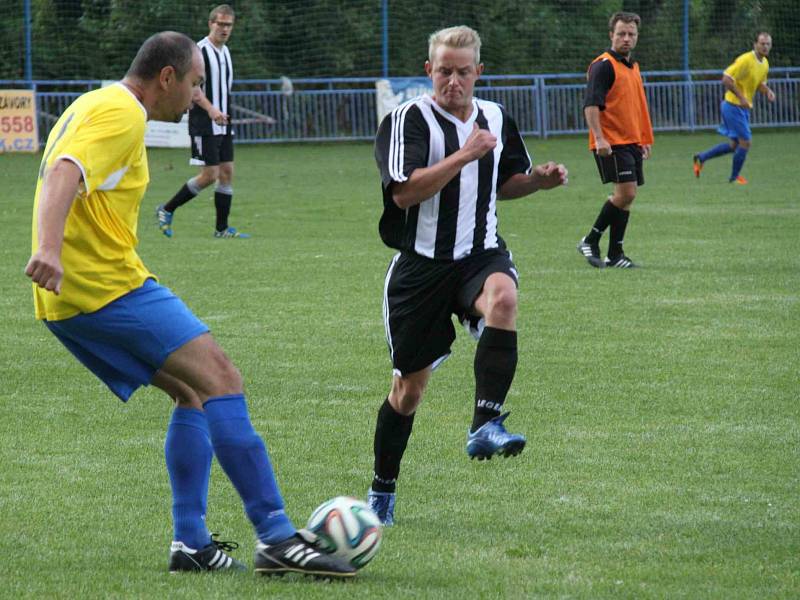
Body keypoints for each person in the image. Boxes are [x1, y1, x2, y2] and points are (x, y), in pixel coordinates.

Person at [25, 31, 353, 578]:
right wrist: (47, 250)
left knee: (190, 393)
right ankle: (276, 536)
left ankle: (192, 544)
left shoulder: (95, 101)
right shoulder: (123, 114)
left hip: (75, 294)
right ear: (167, 77)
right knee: (221, 377)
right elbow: (65, 171)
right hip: (101, 286)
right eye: (195, 83)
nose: (197, 95)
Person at [367, 25, 568, 526]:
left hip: (481, 255)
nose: (452, 81)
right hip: (421, 268)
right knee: (408, 391)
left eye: (462, 72)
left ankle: (486, 422)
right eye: (443, 71)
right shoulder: (407, 121)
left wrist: (537, 183)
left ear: (479, 72)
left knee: (504, 300)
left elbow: (505, 183)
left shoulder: (497, 117)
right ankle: (382, 489)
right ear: (427, 71)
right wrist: (464, 153)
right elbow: (404, 194)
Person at [157, 5, 249, 239]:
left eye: (229, 25)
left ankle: (221, 229)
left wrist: (223, 113)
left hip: (223, 121)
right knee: (210, 175)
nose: (225, 29)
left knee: (227, 172)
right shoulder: (198, 51)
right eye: (220, 24)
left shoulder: (226, 52)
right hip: (205, 120)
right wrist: (211, 110)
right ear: (211, 24)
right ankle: (167, 208)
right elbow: (194, 88)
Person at [577, 11, 653, 269]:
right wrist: (599, 138)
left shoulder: (632, 67)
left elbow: (636, 106)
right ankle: (590, 239)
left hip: (630, 141)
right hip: (612, 142)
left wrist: (643, 138)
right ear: (611, 35)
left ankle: (616, 254)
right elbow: (591, 105)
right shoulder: (603, 65)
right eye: (621, 33)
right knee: (626, 192)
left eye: (631, 34)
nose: (626, 38)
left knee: (627, 196)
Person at [693, 32, 776, 184]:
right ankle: (734, 178)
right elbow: (726, 78)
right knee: (746, 142)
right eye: (762, 43)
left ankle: (701, 157)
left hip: (742, 108)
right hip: (732, 106)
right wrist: (742, 97)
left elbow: (760, 84)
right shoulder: (745, 60)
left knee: (734, 145)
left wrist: (768, 91)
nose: (765, 47)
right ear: (755, 44)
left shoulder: (765, 64)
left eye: (768, 44)